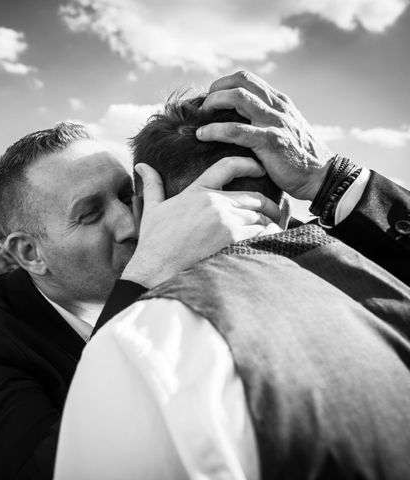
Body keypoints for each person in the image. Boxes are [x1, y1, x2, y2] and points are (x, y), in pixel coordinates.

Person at [0, 71, 410, 480]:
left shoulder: (239, 243)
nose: (132, 223)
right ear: (30, 252)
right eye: (89, 214)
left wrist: (327, 179)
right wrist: (146, 278)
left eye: (128, 192)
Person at [54, 90, 410, 480]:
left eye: (126, 200)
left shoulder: (142, 346)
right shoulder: (387, 279)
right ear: (285, 204)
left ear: (142, 208)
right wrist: (330, 178)